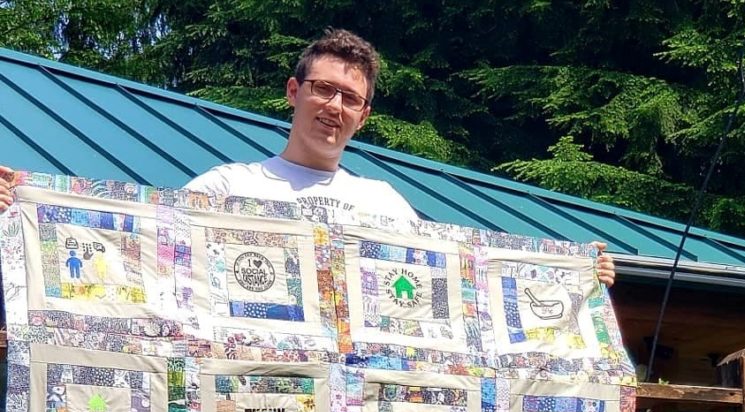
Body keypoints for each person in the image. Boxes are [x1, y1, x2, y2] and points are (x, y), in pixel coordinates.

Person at [0, 29, 616, 285]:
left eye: (351, 98)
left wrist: (571, 274)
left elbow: (462, 275)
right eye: (323, 89)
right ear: (294, 93)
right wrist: (23, 204)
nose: (334, 106)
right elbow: (141, 241)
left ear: (363, 116)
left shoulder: (383, 204)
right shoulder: (227, 184)